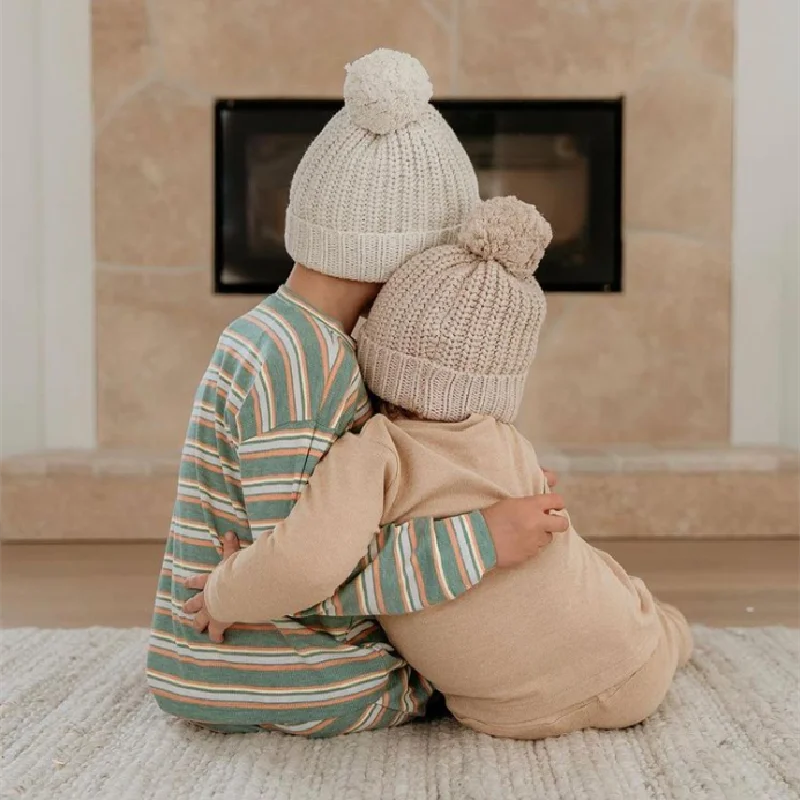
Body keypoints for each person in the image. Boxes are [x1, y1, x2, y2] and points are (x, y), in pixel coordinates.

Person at [147, 51, 566, 737]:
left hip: (213, 665)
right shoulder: (307, 366)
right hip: (294, 677)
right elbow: (308, 573)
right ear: (411, 259)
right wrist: (482, 540)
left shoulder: (276, 335)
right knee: (491, 667)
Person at [193, 197, 693, 740]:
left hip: (508, 712)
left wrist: (227, 593)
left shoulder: (372, 450)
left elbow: (304, 563)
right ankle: (672, 630)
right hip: (636, 667)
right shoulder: (509, 442)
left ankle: (660, 625)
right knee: (614, 587)